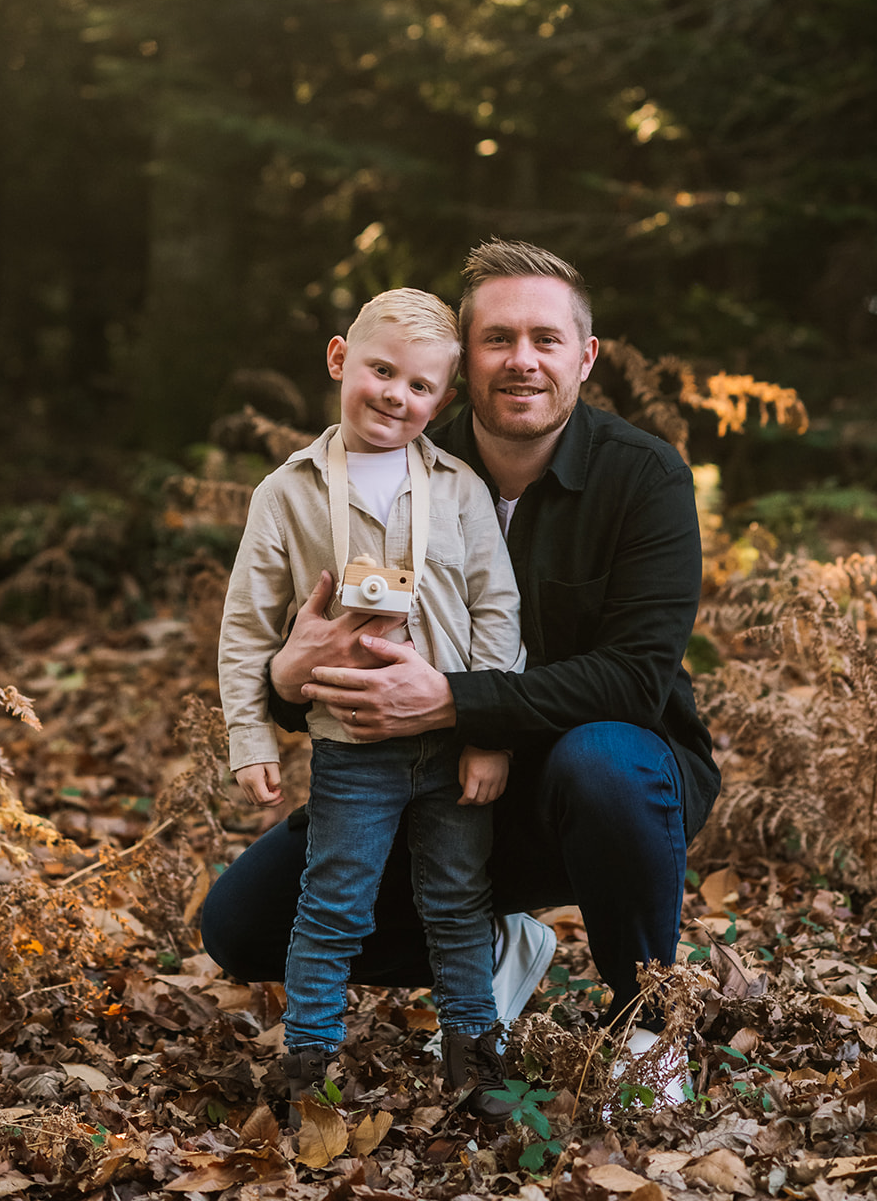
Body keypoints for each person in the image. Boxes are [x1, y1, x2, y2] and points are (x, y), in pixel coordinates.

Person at [202, 239, 720, 1090]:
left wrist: (452, 703)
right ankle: (491, 943)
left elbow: (635, 680)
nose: (522, 361)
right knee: (241, 925)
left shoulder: (644, 476)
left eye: (545, 340)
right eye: (498, 339)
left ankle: (644, 1027)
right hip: (422, 779)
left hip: (597, 786)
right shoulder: (393, 460)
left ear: (584, 357)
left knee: (605, 762)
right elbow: (307, 641)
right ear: (460, 364)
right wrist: (285, 684)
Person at [216, 288, 525, 1124]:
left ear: (443, 399)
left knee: (459, 900)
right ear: (338, 359)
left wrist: (489, 732)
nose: (396, 395)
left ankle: (473, 1059)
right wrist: (250, 736)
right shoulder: (288, 492)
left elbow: (497, 610)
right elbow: (247, 622)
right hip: (350, 744)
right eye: (380, 371)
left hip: (452, 741)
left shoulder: (458, 488)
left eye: (420, 386)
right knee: (333, 902)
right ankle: (308, 1064)